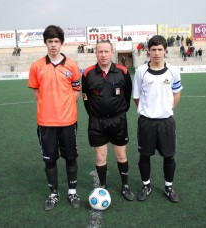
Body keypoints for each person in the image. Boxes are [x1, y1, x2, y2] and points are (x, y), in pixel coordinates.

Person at [28, 25, 82, 211]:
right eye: (50, 41)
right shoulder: (36, 66)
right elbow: (36, 91)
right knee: (49, 160)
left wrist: (64, 105)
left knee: (70, 157)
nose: (53, 45)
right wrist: (49, 105)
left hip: (68, 121)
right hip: (46, 122)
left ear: (61, 43)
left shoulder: (72, 65)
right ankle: (53, 194)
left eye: (56, 41)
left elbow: (76, 89)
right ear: (45, 43)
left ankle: (72, 192)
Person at [132, 35, 183, 203]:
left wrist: (167, 109)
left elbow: (177, 94)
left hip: (166, 122)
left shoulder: (173, 71)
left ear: (165, 50)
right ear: (148, 51)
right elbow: (137, 97)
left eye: (160, 49)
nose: (156, 53)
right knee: (144, 156)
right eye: (153, 49)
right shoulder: (141, 71)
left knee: (169, 156)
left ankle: (168, 187)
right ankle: (146, 185)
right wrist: (146, 111)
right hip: (146, 122)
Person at [82, 40, 134, 201]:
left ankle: (125, 186)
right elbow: (85, 98)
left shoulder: (122, 71)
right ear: (96, 53)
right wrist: (95, 113)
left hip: (118, 120)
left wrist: (119, 112)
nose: (103, 55)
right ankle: (103, 187)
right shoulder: (87, 73)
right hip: (97, 122)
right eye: (100, 51)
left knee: (121, 155)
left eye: (106, 51)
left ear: (112, 53)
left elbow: (127, 95)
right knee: (100, 156)